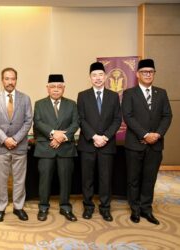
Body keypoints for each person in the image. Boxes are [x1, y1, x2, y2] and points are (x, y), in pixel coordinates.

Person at [122, 59, 172, 225]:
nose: (148, 74)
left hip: (155, 144)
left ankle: (146, 209)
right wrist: (144, 134)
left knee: (150, 179)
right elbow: (128, 116)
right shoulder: (129, 93)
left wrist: (157, 134)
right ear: (137, 75)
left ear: (154, 74)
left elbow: (167, 116)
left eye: (151, 72)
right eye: (144, 72)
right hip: (135, 144)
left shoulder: (161, 93)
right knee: (133, 179)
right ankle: (135, 209)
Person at [77, 62, 122, 222]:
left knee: (105, 178)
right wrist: (94, 136)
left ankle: (105, 208)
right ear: (90, 78)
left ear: (105, 77)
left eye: (100, 75)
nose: (97, 78)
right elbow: (81, 118)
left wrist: (105, 137)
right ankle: (88, 207)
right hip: (88, 144)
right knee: (87, 178)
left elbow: (117, 119)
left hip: (107, 144)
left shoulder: (113, 95)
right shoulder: (82, 95)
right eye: (94, 75)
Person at [0, 67, 32, 222]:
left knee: (20, 179)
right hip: (1, 146)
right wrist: (5, 139)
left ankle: (18, 207)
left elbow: (28, 122)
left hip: (19, 146)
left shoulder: (25, 98)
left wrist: (16, 139)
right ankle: (0, 208)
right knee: (1, 179)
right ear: (2, 80)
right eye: (7, 79)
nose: (10, 82)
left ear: (16, 80)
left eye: (13, 79)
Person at [33, 74, 79, 222]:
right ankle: (43, 207)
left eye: (59, 87)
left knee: (66, 180)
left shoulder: (72, 104)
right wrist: (54, 133)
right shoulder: (39, 104)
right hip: (46, 148)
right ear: (47, 88)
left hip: (65, 149)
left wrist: (62, 138)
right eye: (53, 86)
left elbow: (75, 123)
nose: (56, 90)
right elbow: (38, 122)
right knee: (44, 180)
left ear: (64, 88)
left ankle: (65, 207)